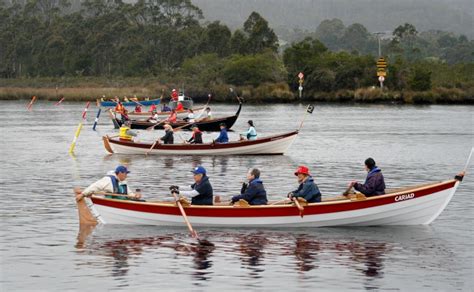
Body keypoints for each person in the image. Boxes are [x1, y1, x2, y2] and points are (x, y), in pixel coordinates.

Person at [74, 165, 142, 201]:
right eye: (125, 173)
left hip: (124, 201)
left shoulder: (123, 182)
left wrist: (135, 196)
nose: (126, 175)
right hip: (113, 202)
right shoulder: (108, 180)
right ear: (120, 173)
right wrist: (82, 194)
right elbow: (95, 186)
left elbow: (129, 193)